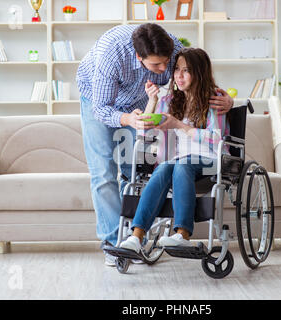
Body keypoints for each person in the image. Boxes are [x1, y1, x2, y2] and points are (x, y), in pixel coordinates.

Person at [76, 24, 234, 265]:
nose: (167, 72)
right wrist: (136, 114)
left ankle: (178, 234)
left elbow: (200, 74)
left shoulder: (175, 55)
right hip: (100, 101)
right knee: (105, 173)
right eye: (157, 66)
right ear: (139, 57)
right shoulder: (112, 57)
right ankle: (125, 241)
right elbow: (104, 109)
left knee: (134, 173)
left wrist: (229, 100)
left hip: (205, 155)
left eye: (168, 64)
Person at [119, 48, 230, 253]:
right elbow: (146, 136)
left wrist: (179, 125)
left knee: (181, 164)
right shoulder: (168, 101)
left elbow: (216, 138)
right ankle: (136, 237)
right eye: (176, 69)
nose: (179, 75)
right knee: (163, 168)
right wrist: (152, 101)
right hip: (180, 161)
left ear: (199, 73)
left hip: (211, 158)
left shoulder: (214, 100)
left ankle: (183, 234)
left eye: (186, 70)